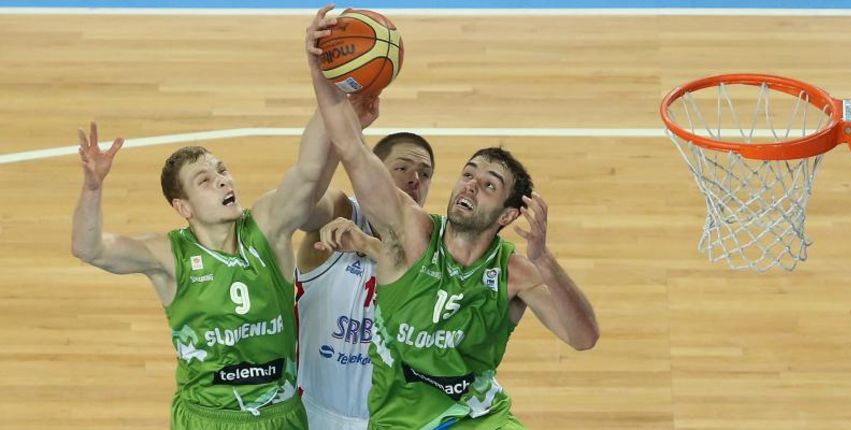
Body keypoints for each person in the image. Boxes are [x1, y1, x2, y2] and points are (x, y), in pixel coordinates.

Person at [305, 5, 600, 429]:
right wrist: (321, 70)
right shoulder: (411, 232)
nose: (469, 186)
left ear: (508, 215)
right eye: (467, 175)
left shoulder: (515, 273)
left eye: (488, 185)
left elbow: (583, 338)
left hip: (482, 420)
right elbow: (351, 147)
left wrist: (546, 261)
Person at [70, 41, 379, 428]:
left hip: (277, 416)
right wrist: (93, 189)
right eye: (204, 180)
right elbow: (88, 247)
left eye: (221, 170)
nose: (221, 181)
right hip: (206, 417)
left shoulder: (267, 226)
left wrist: (329, 77)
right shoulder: (168, 254)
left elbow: (309, 169)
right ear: (184, 207)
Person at [295, 131, 435, 430]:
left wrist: (367, 245)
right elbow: (300, 209)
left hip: (394, 419)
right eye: (402, 168)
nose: (415, 179)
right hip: (313, 413)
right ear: (372, 173)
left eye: (425, 174)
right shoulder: (339, 210)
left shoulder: (432, 241)